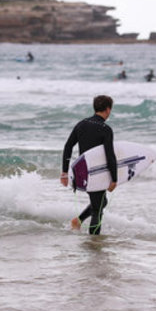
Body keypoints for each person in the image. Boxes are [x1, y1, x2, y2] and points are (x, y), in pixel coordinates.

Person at [61, 95, 117, 235]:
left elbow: (68, 146)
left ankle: (78, 221)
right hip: (98, 172)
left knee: (101, 202)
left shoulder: (81, 124)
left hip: (84, 172)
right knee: (98, 210)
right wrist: (114, 178)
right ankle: (94, 246)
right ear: (108, 109)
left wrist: (64, 172)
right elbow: (110, 155)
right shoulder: (105, 129)